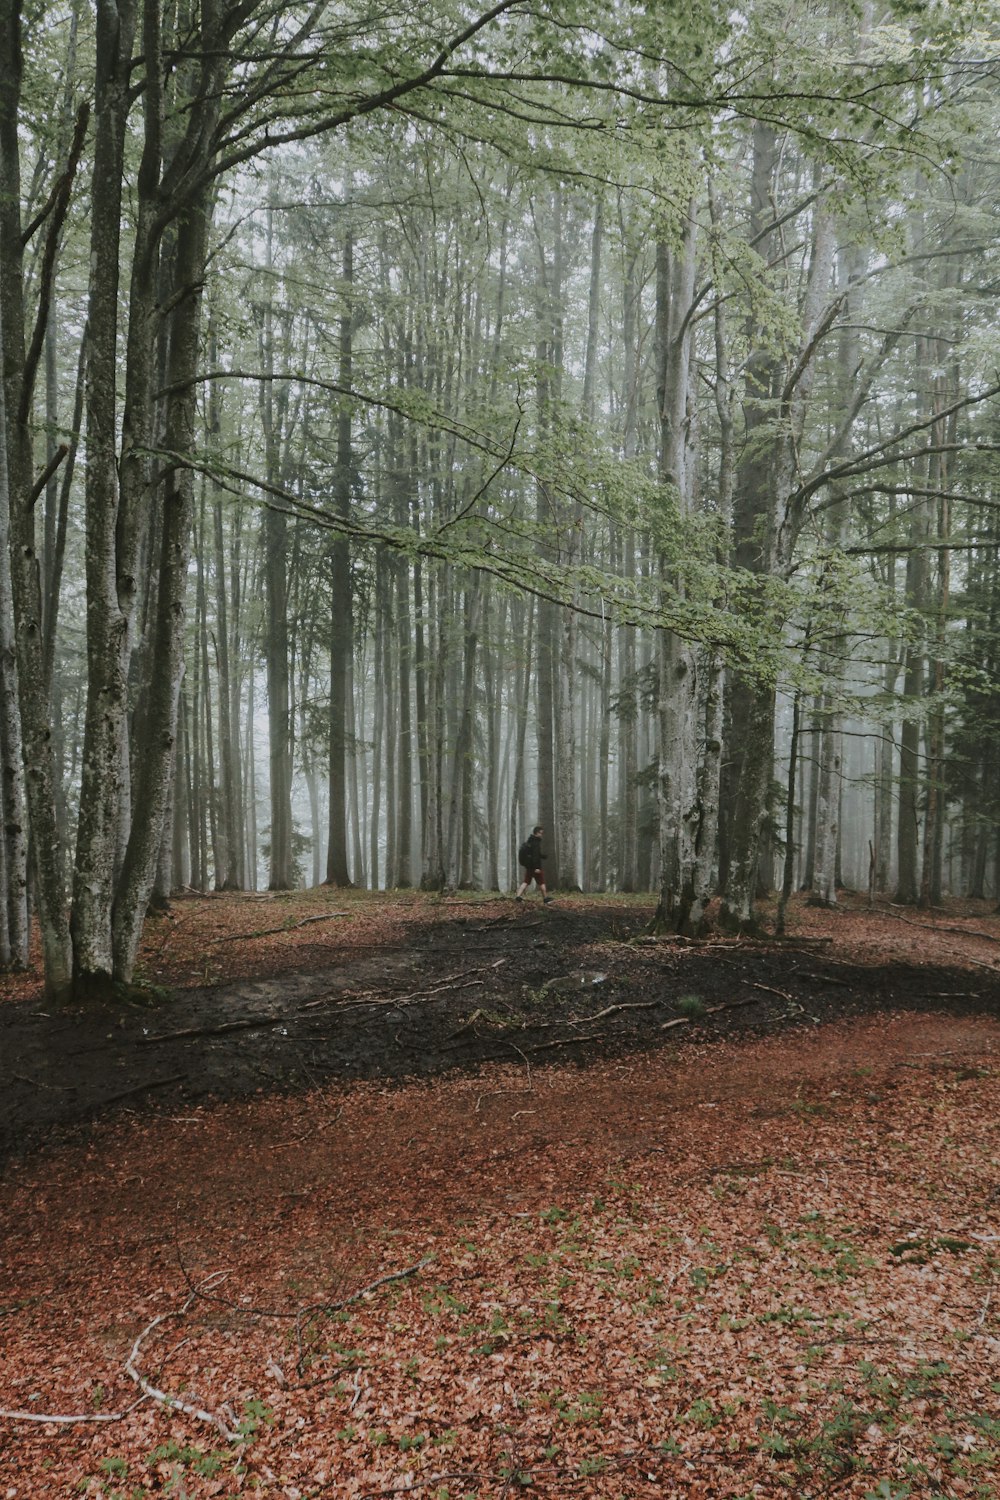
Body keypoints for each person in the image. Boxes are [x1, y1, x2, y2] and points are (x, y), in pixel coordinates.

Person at [516, 825, 553, 903]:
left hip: (529, 867)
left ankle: (518, 896)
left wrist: (542, 856)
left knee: (526, 882)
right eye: (540, 833)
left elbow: (533, 854)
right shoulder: (536, 842)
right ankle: (545, 898)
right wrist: (537, 867)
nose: (541, 835)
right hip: (535, 867)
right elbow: (535, 856)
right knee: (541, 882)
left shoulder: (530, 841)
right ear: (536, 833)